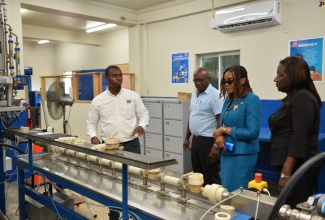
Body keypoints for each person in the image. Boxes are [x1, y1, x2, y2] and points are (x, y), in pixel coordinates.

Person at [268, 56, 322, 207]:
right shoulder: (293, 97)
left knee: (295, 210)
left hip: (297, 169)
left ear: (293, 76)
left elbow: (299, 138)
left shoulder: (302, 97)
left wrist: (286, 174)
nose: (275, 79)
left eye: (280, 74)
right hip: (293, 168)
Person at [213, 66, 261, 192]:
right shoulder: (228, 99)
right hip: (227, 153)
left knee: (238, 195)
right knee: (226, 192)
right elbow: (223, 122)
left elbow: (253, 132)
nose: (226, 85)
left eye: (230, 81)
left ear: (242, 80)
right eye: (224, 82)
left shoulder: (252, 100)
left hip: (242, 156)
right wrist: (219, 135)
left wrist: (225, 130)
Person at [86, 65, 149, 154]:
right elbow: (91, 122)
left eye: (120, 75)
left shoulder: (133, 96)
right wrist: (93, 136)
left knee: (133, 168)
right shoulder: (98, 100)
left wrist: (141, 125)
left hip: (131, 145)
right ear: (106, 78)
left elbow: (143, 114)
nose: (119, 78)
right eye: (114, 76)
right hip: (108, 146)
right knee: (111, 168)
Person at [183, 67, 223, 185]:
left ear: (209, 79)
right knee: (197, 175)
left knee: (211, 176)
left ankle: (214, 201)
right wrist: (187, 138)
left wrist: (216, 145)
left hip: (208, 141)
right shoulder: (195, 94)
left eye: (201, 80)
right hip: (196, 140)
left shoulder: (216, 95)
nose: (198, 83)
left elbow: (220, 121)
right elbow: (192, 117)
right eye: (195, 80)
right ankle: (200, 201)